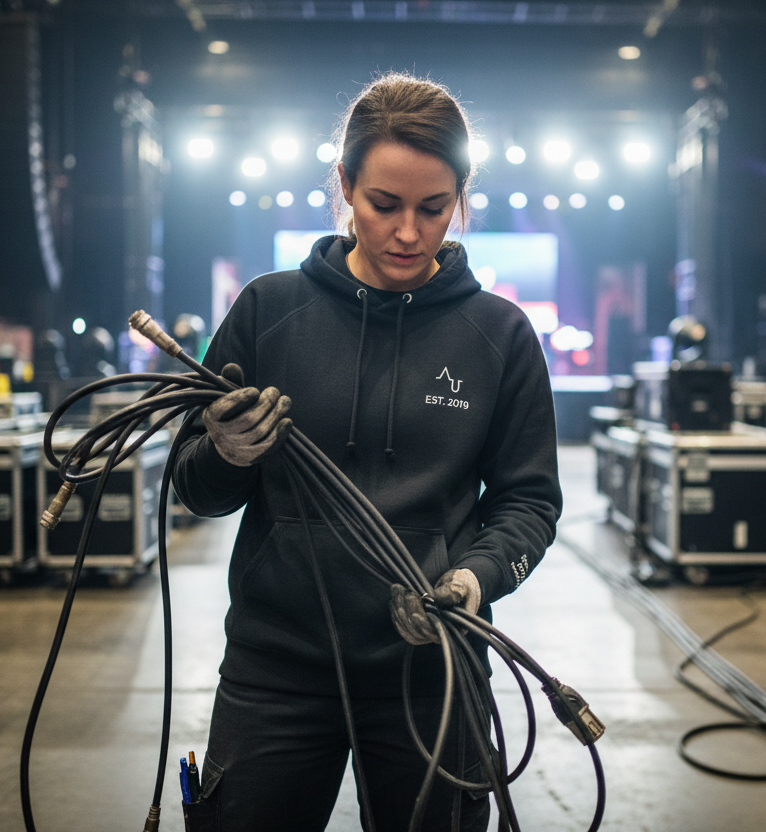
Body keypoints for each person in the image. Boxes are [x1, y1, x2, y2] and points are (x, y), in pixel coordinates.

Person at [172, 71, 562, 832]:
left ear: (461, 197)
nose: (409, 233)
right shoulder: (266, 311)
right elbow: (196, 488)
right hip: (274, 672)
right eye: (385, 204)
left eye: (434, 208)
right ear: (346, 185)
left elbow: (530, 502)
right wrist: (226, 450)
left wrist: (476, 579)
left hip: (433, 672)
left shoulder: (501, 335)